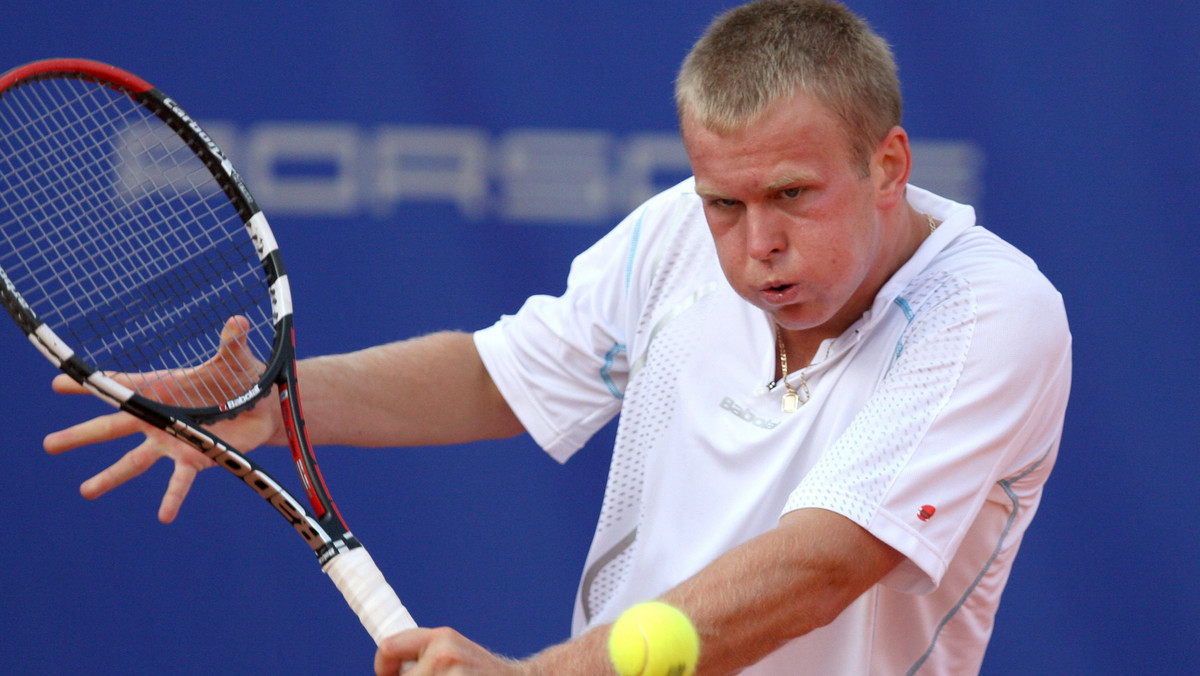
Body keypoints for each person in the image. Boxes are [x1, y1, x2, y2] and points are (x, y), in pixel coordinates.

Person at [43, 1, 1072, 674]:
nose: (758, 245)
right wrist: (275, 406)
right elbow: (498, 375)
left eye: (794, 195)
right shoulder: (678, 236)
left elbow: (821, 566)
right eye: (725, 201)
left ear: (889, 164)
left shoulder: (988, 315)